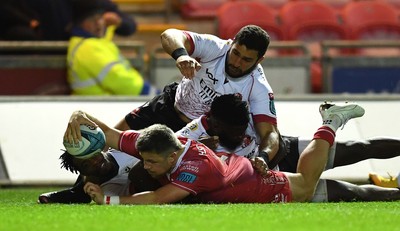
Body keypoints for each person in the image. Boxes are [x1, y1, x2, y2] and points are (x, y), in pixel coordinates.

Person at [64, 101, 364, 205]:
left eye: (151, 162)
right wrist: (78, 115)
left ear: (170, 159)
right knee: (339, 189)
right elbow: (111, 135)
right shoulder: (156, 142)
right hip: (242, 171)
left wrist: (108, 200)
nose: (146, 165)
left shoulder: (196, 168)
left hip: (263, 186)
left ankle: (330, 122)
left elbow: (156, 199)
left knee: (307, 183)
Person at [114, 25, 286, 168]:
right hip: (169, 105)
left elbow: (270, 134)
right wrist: (181, 55)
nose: (236, 62)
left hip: (199, 132)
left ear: (260, 60)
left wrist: (263, 158)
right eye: (236, 53)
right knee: (113, 139)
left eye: (247, 60)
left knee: (143, 167)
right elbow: (169, 35)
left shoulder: (259, 87)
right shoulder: (216, 48)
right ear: (232, 43)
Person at [177, 96, 400, 202]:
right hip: (269, 180)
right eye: (234, 132)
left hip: (283, 153)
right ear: (214, 124)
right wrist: (195, 148)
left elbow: (271, 134)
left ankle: (331, 122)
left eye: (242, 129)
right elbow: (171, 150)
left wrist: (264, 156)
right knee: (351, 193)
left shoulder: (250, 116)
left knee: (357, 148)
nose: (240, 135)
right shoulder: (193, 134)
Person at [66, 0, 158, 95]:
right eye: (92, 19)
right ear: (80, 23)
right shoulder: (88, 48)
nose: (98, 23)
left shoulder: (95, 42)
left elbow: (130, 25)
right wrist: (153, 94)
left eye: (100, 18)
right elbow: (122, 81)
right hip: (100, 106)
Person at [38, 148, 140, 204]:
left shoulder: (122, 148)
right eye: (86, 165)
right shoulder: (108, 191)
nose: (94, 162)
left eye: (93, 154)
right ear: (83, 173)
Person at [25, 0, 136, 41]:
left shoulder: (97, 4)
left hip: (90, 59)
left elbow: (130, 26)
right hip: (49, 60)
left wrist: (119, 22)